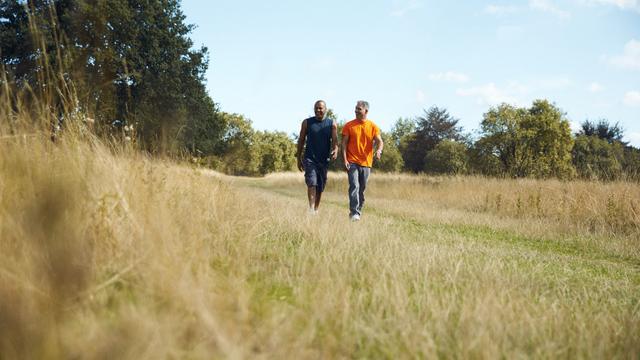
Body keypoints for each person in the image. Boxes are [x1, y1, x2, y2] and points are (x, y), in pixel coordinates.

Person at [341, 100, 383, 221]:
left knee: (362, 188)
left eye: (359, 109)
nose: (356, 111)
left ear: (366, 111)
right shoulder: (349, 125)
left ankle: (357, 212)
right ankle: (354, 212)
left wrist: (379, 151)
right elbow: (343, 144)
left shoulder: (373, 126)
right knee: (354, 185)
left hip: (366, 163)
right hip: (352, 161)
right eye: (356, 108)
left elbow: (380, 141)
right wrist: (345, 159)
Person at [296, 100, 339, 214]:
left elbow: (335, 140)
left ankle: (315, 210)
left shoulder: (332, 124)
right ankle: (311, 208)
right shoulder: (307, 123)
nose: (318, 110)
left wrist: (335, 150)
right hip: (310, 159)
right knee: (312, 182)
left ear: (325, 109)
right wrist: (298, 157)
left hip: (324, 160)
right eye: (316, 108)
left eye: (320, 108)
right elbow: (301, 140)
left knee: (320, 186)